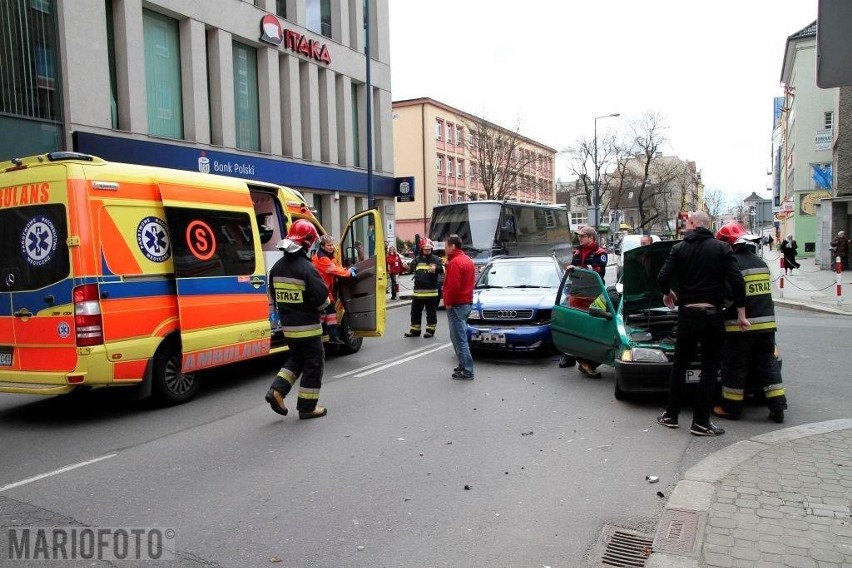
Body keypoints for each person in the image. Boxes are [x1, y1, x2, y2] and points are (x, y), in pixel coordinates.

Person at [656, 211, 749, 437]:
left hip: (687, 314)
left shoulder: (678, 249)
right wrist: (741, 313)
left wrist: (668, 294)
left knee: (680, 365)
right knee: (709, 367)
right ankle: (700, 422)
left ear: (693, 224)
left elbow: (662, 278)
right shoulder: (722, 248)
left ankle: (671, 415)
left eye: (686, 223)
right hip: (712, 314)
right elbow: (737, 280)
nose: (685, 226)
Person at [712, 222, 788, 424]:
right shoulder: (761, 263)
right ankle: (778, 408)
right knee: (767, 365)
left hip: (740, 328)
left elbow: (730, 296)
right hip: (766, 326)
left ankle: (731, 407)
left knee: (735, 366)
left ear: (727, 244)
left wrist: (718, 308)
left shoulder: (732, 264)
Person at [265, 219, 330, 420]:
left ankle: (277, 391)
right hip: (308, 328)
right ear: (309, 243)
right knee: (314, 363)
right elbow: (321, 299)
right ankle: (307, 406)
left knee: (296, 359)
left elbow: (275, 296)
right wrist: (325, 306)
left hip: (289, 327)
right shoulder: (307, 268)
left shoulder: (276, 268)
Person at [558, 226, 609, 376]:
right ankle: (571, 356)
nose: (580, 238)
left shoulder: (601, 253)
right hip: (577, 292)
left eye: (583, 236)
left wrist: (578, 268)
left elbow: (598, 270)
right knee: (575, 324)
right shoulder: (578, 252)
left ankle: (587, 358)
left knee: (594, 325)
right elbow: (573, 270)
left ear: (591, 237)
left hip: (594, 293)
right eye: (579, 236)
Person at [312, 234, 356, 344]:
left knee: (328, 310)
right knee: (327, 310)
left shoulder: (329, 255)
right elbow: (334, 270)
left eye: (332, 245)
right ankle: (325, 333)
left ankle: (328, 333)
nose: (331, 247)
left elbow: (337, 267)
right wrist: (348, 273)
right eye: (329, 245)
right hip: (319, 288)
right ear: (322, 246)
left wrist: (346, 270)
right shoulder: (322, 257)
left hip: (324, 288)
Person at [443, 234, 476, 380]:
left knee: (459, 338)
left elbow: (453, 286)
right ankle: (463, 364)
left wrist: (448, 302)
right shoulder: (467, 260)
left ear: (452, 246)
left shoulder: (455, 263)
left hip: (457, 304)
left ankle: (467, 370)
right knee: (456, 336)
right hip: (466, 302)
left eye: (446, 246)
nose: (444, 248)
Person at [405, 239, 443, 338]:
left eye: (429, 249)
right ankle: (415, 331)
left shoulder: (436, 259)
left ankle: (430, 331)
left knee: (431, 314)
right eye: (425, 249)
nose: (427, 250)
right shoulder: (417, 259)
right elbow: (410, 268)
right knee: (415, 313)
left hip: (431, 293)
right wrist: (405, 266)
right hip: (418, 293)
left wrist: (436, 268)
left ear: (431, 249)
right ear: (422, 249)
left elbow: (443, 269)